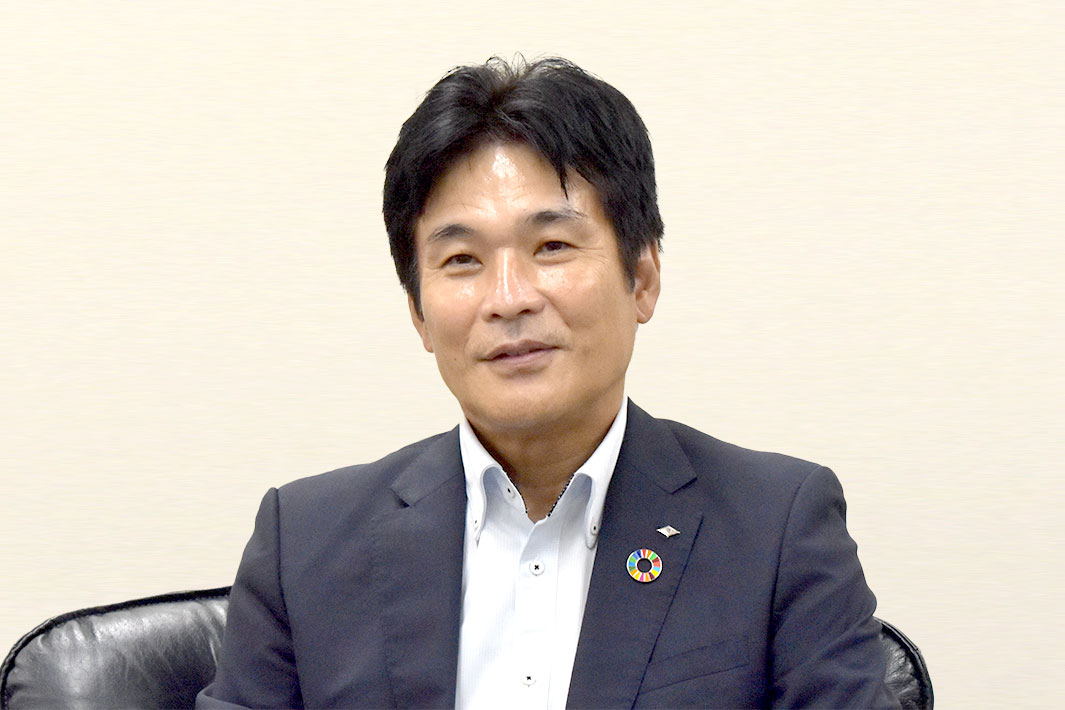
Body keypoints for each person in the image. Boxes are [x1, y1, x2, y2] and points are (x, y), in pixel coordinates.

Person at [197, 57, 900, 709]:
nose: (508, 298)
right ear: (417, 311)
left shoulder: (775, 529)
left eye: (552, 247)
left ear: (642, 277)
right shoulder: (305, 544)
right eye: (462, 260)